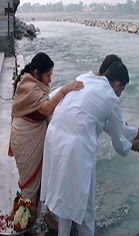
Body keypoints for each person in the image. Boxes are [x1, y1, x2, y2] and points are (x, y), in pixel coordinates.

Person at [40, 55, 139, 236]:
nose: (120, 94)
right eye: (121, 90)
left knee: (65, 195)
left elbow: (106, 123)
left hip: (55, 138)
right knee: (86, 207)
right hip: (76, 148)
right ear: (116, 84)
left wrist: (135, 132)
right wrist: (133, 146)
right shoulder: (112, 99)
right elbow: (119, 145)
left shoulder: (84, 78)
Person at [9, 52, 84, 219]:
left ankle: (29, 217)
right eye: (48, 76)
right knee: (30, 184)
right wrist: (65, 89)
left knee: (37, 181)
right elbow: (46, 109)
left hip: (29, 134)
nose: (50, 80)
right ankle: (24, 221)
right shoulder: (30, 86)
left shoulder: (31, 82)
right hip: (25, 138)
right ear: (37, 73)